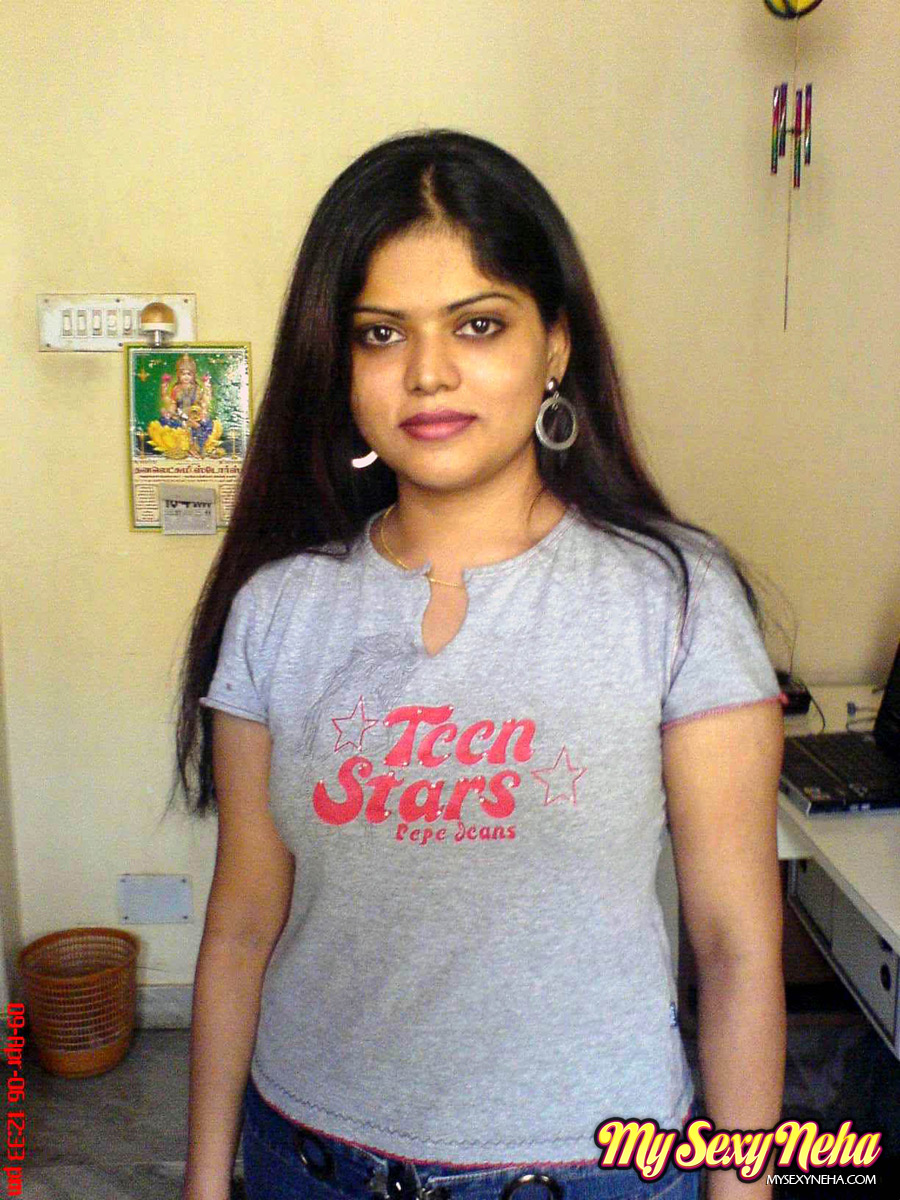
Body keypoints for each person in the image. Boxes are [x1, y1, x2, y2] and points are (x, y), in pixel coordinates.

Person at [176, 130, 785, 1200]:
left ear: (555, 345)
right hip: (308, 1160)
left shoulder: (676, 600)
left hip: (590, 1170)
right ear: (341, 364)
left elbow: (735, 949)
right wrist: (205, 1180)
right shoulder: (278, 611)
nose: (428, 372)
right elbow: (240, 929)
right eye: (381, 333)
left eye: (479, 324)